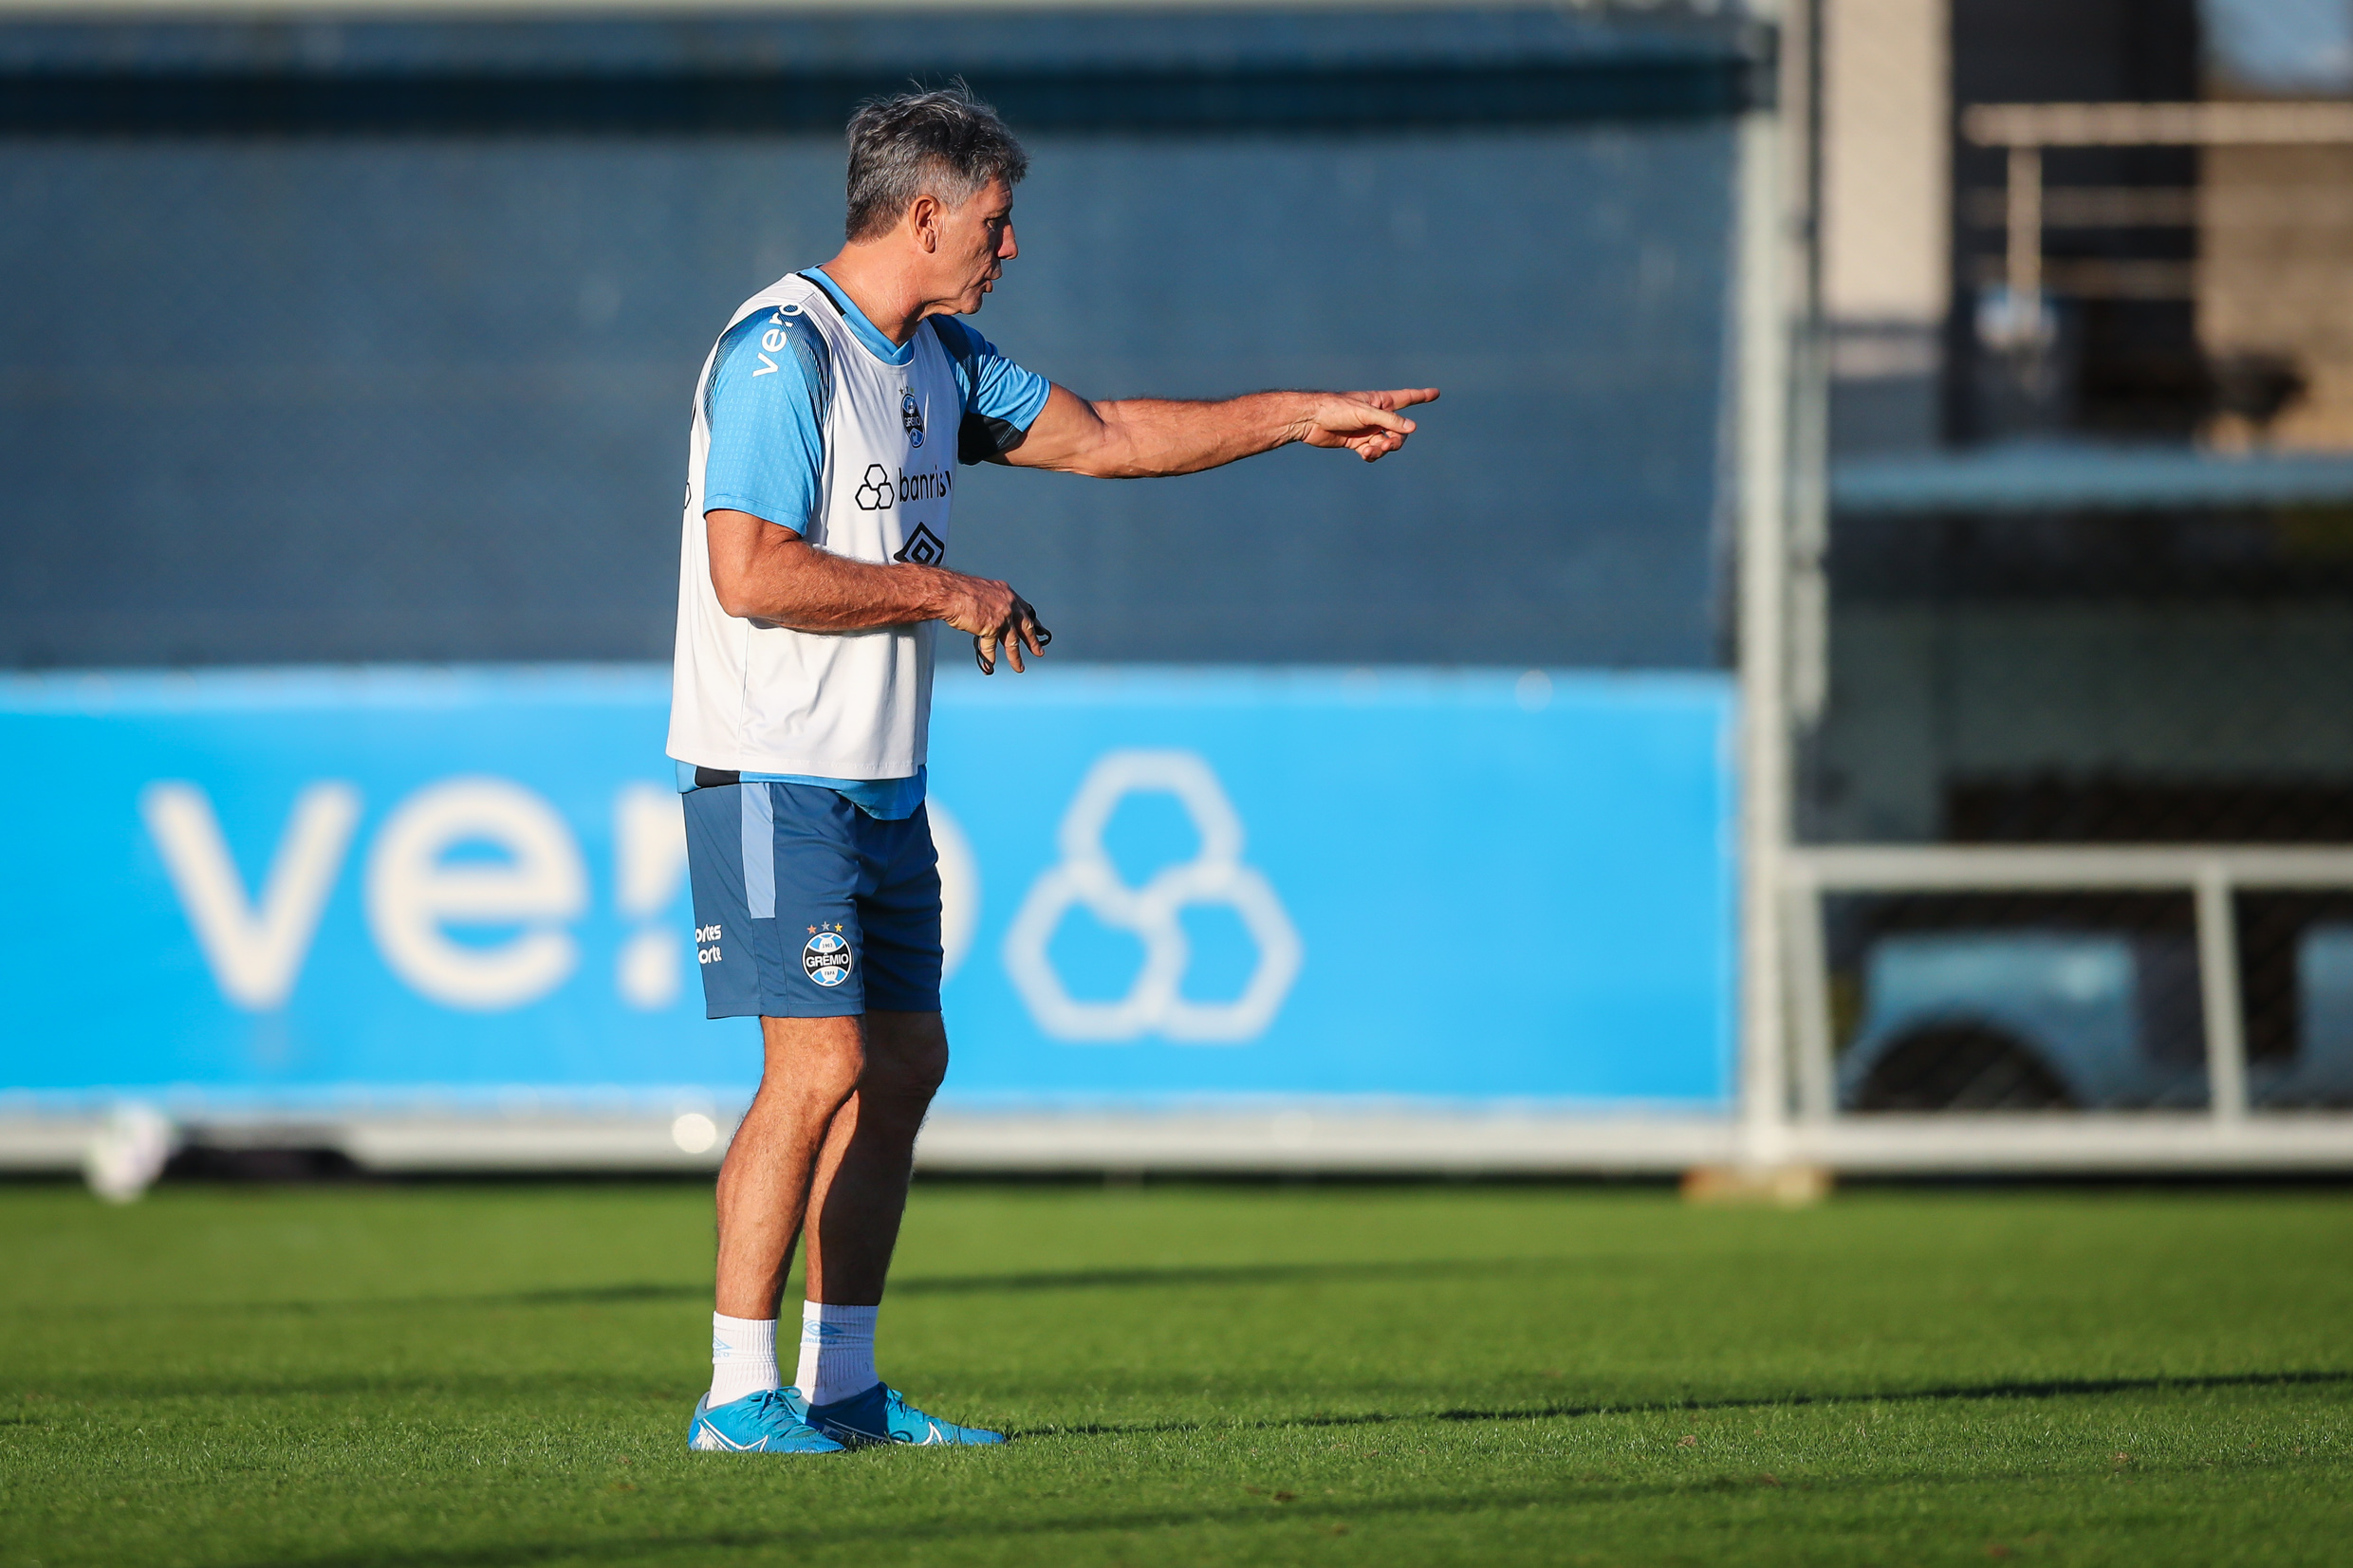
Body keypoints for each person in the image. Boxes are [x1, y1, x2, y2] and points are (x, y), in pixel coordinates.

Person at [671, 83, 1437, 1454]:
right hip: (764, 771)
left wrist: (1294, 415)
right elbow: (749, 571)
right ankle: (737, 1394)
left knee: (904, 1061)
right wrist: (949, 594)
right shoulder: (784, 351)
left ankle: (842, 1386)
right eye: (994, 222)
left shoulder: (941, 360)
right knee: (821, 1061)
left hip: (878, 778)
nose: (1007, 247)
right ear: (923, 213)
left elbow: (1112, 435)